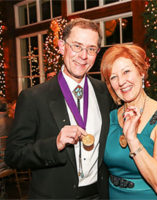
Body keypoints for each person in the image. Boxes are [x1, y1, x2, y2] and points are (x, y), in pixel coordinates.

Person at [5, 18, 114, 199]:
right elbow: (14, 155)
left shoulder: (103, 92)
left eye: (91, 49)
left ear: (97, 52)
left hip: (98, 194)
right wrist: (54, 144)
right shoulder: (34, 97)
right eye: (77, 46)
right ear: (62, 46)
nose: (83, 56)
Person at [101, 44, 157, 199]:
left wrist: (132, 140)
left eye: (126, 71)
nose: (121, 81)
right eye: (113, 77)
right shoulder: (110, 118)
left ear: (141, 72)